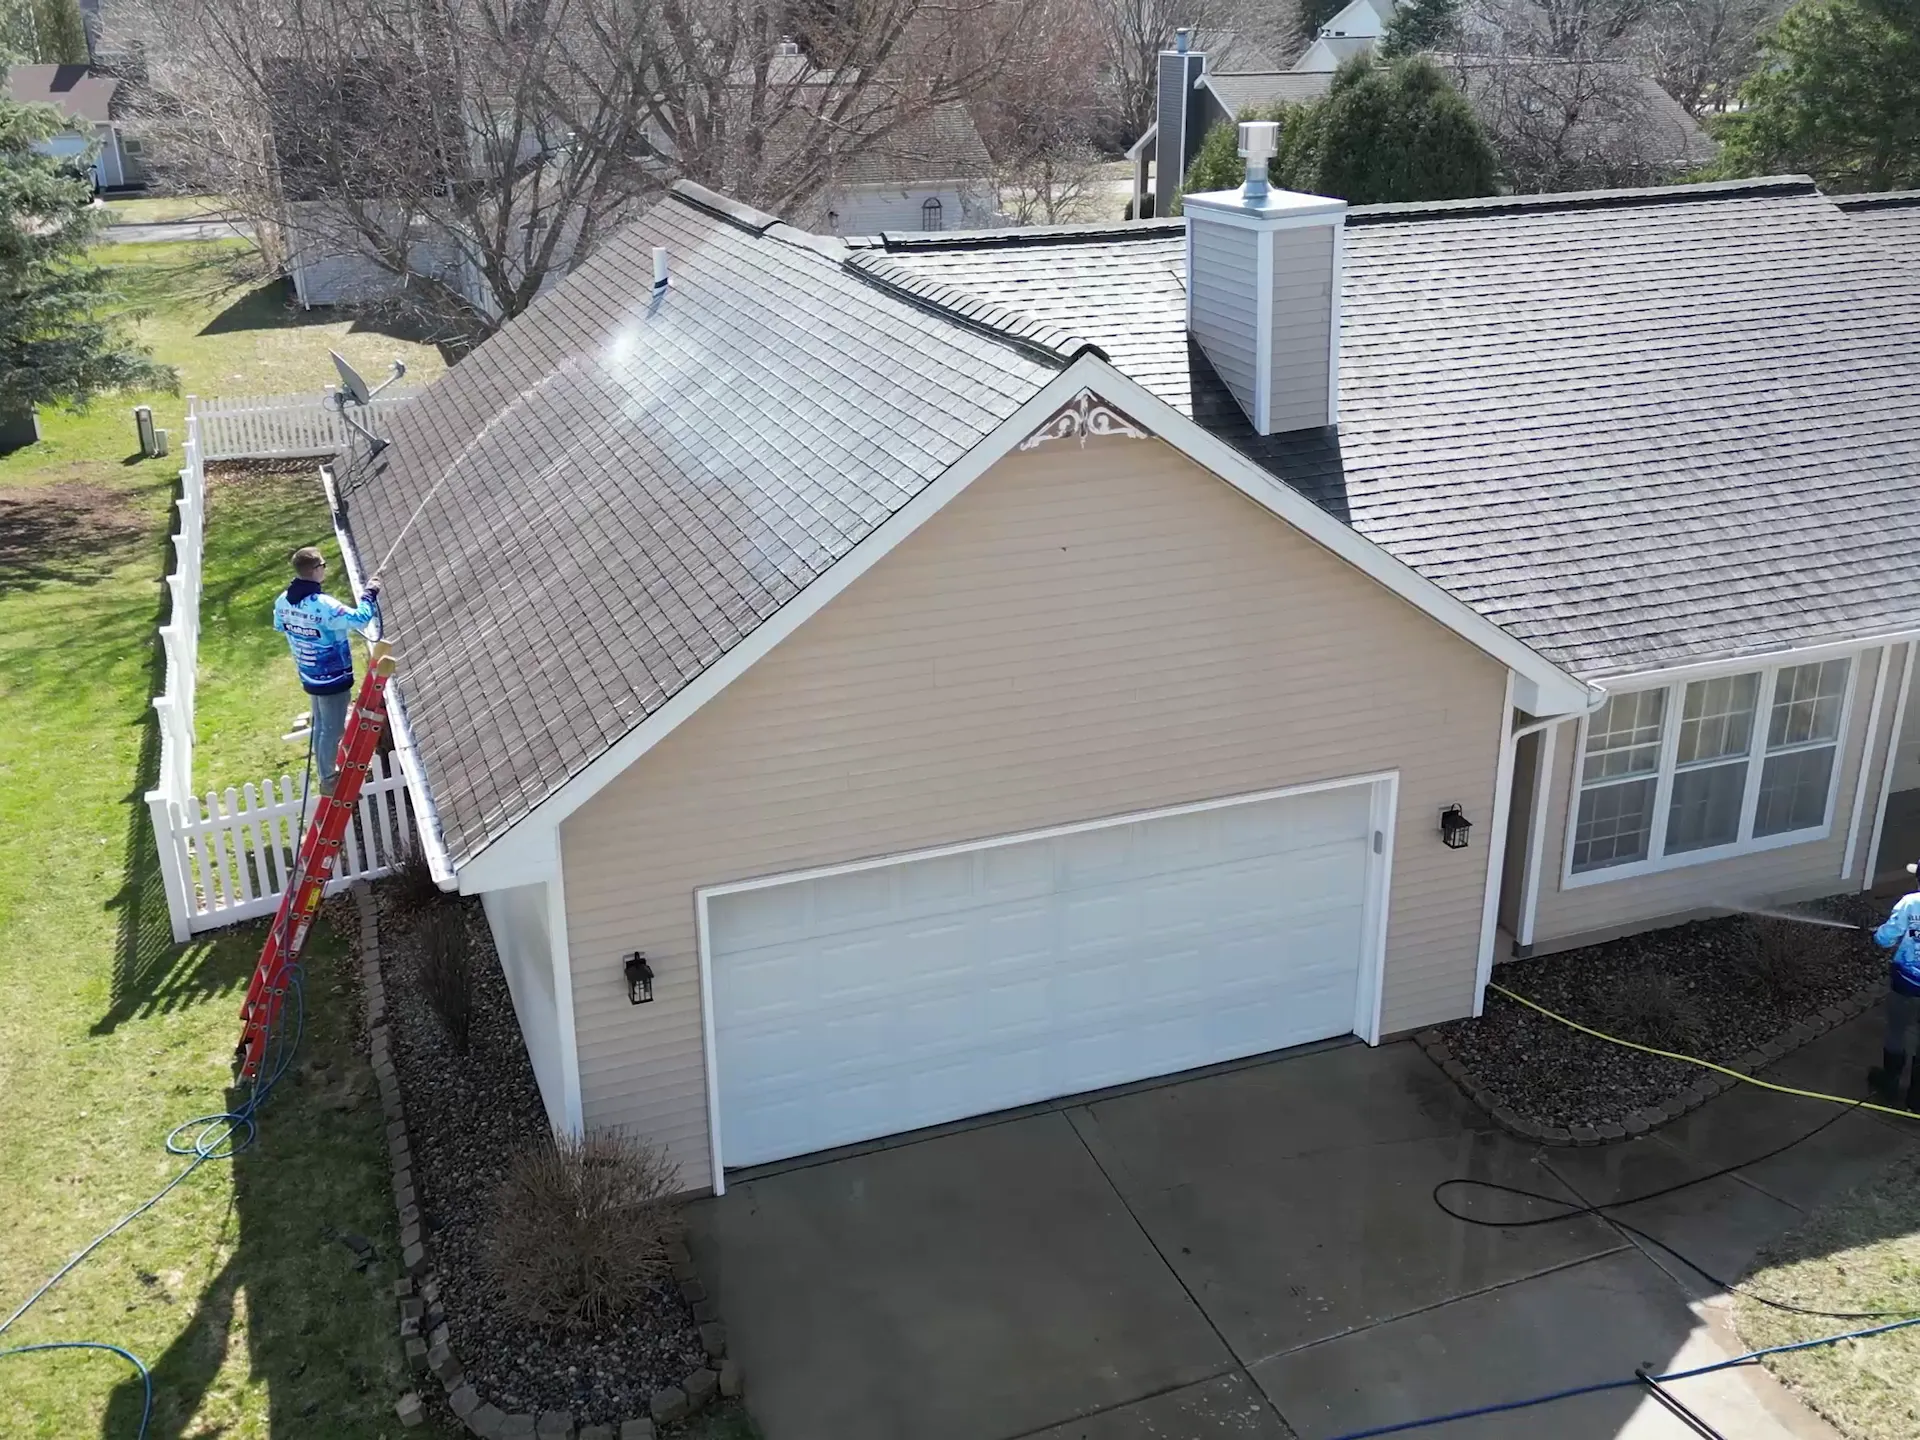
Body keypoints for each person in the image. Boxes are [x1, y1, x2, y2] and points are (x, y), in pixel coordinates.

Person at [273, 547, 380, 795]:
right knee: (332, 729)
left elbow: (280, 625)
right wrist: (370, 595)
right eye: (324, 565)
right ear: (315, 570)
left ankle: (325, 771)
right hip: (333, 678)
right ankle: (328, 778)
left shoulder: (282, 601)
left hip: (309, 674)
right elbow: (360, 619)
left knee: (322, 726)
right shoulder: (324, 606)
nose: (325, 569)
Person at [1868, 865, 1920, 1108]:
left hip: (1905, 982)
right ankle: (1916, 1098)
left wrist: (1877, 935)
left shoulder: (1910, 903)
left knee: (1896, 1030)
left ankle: (1890, 1082)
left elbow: (1887, 936)